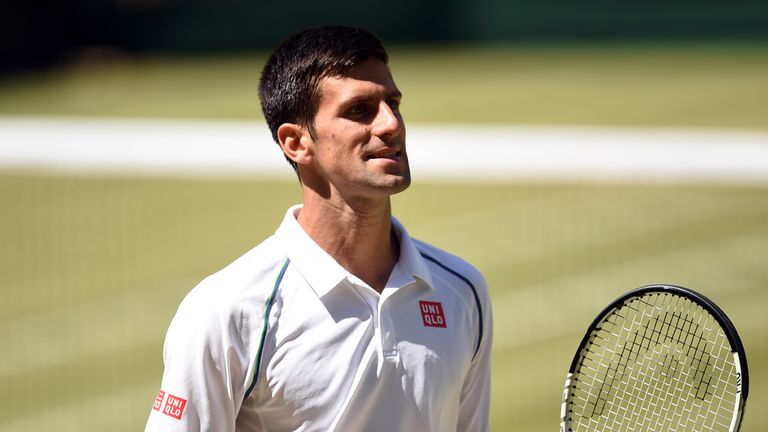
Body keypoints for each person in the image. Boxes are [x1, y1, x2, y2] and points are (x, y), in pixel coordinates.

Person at [145, 25, 492, 432]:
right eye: (359, 110)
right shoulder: (227, 310)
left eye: (393, 103)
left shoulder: (462, 290)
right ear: (295, 143)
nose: (391, 124)